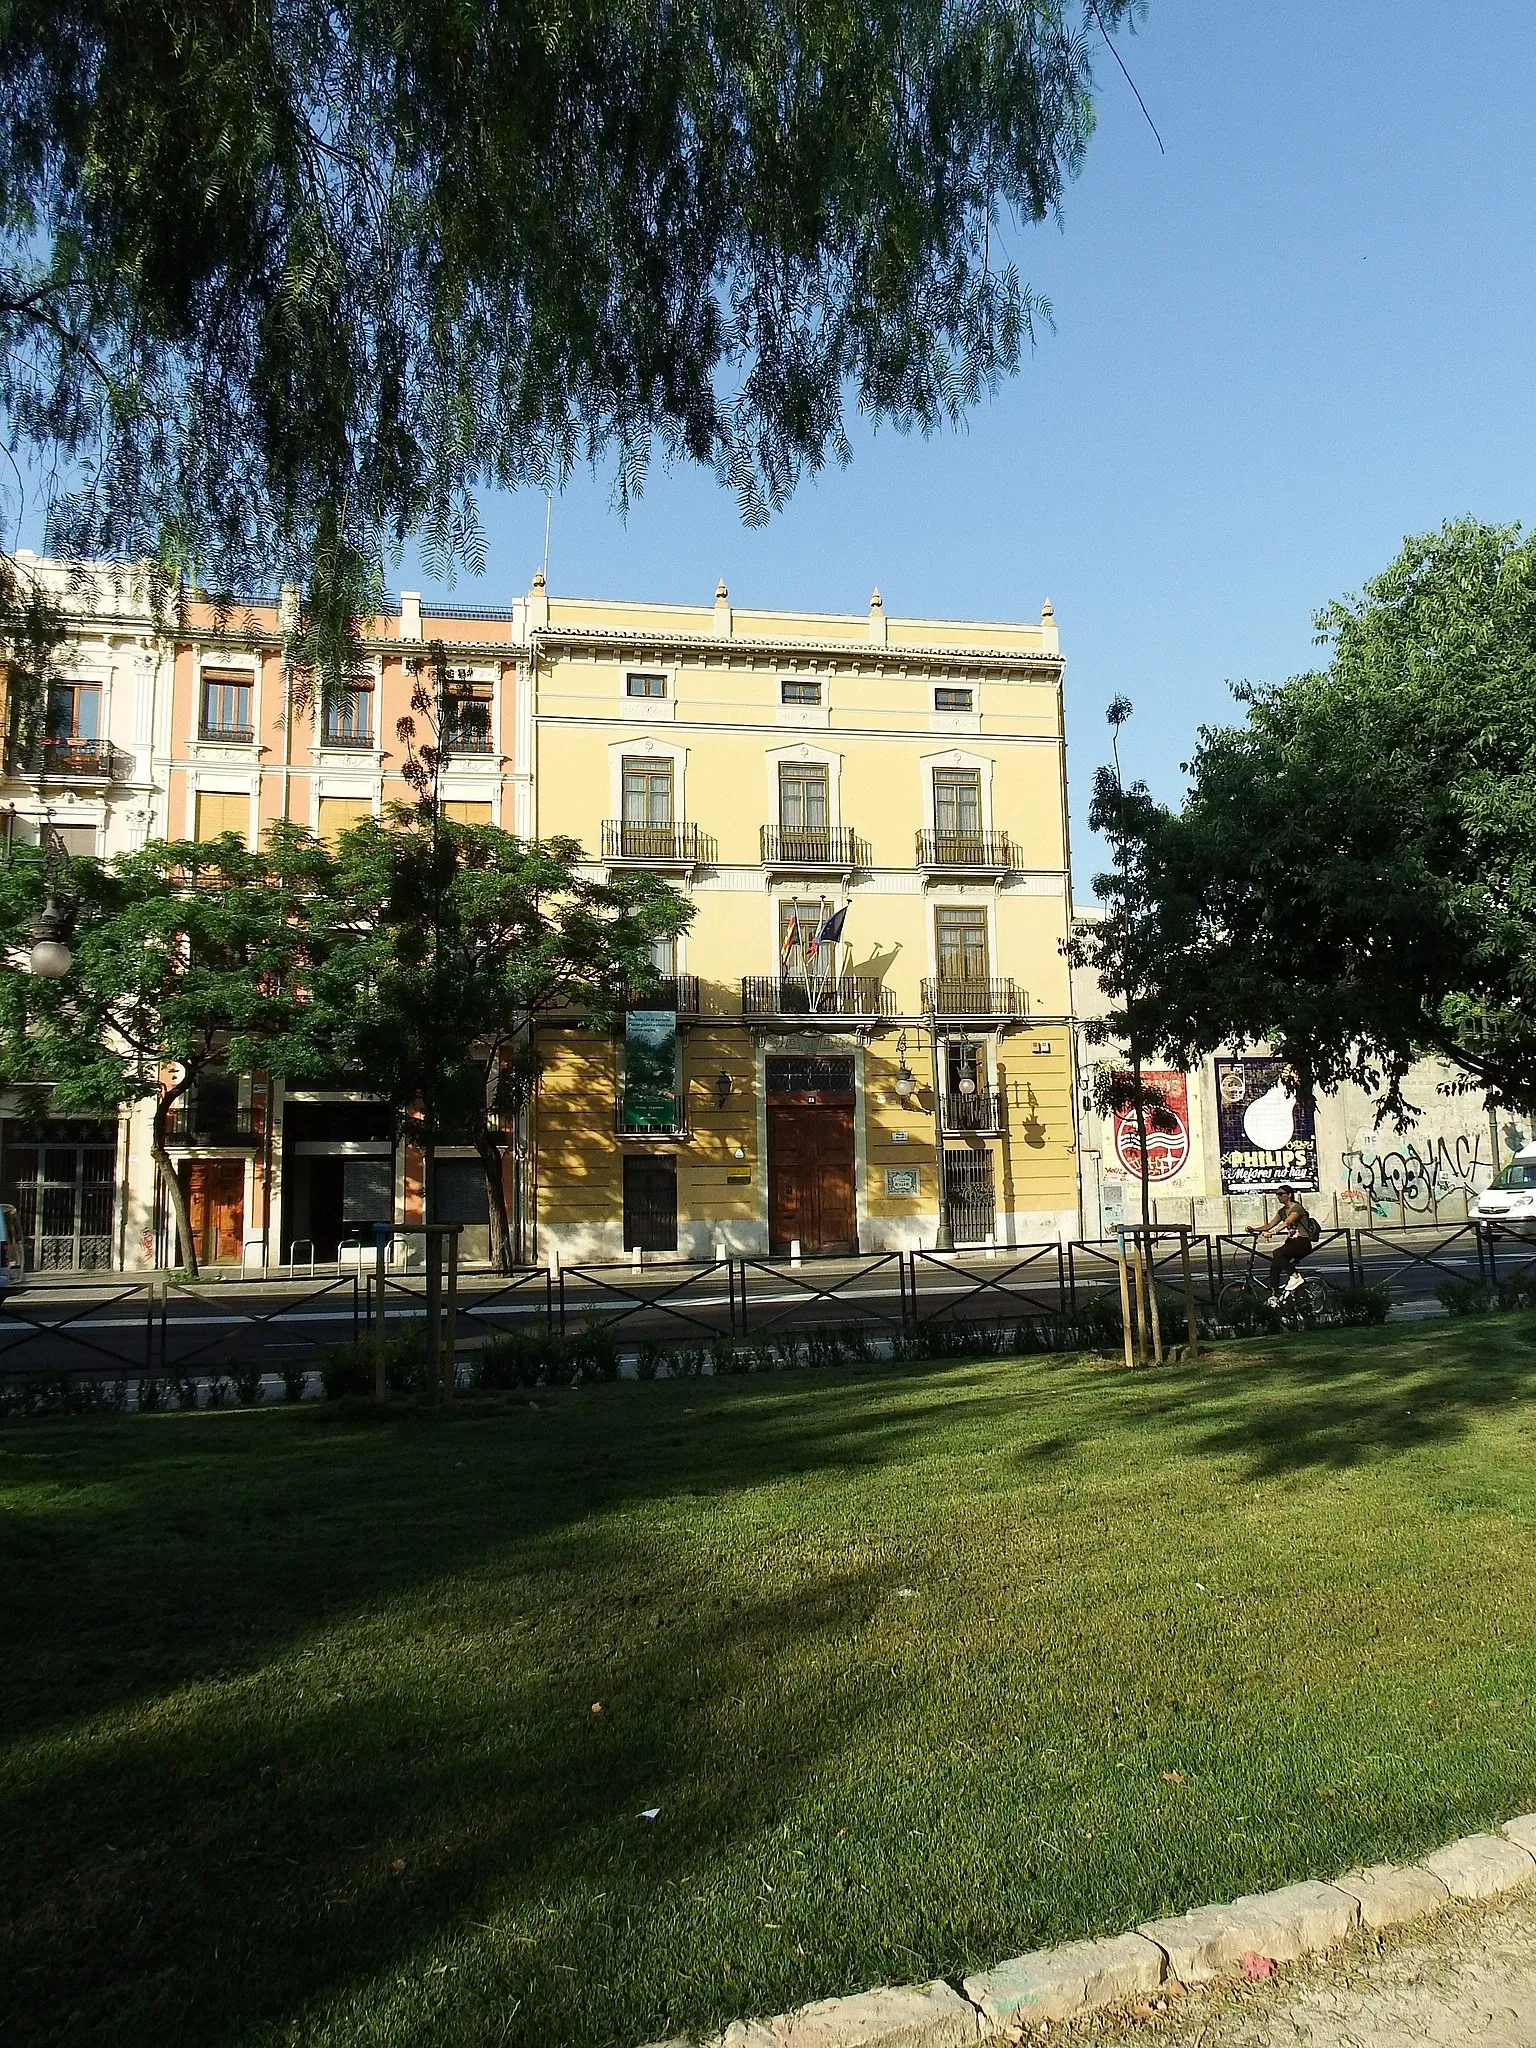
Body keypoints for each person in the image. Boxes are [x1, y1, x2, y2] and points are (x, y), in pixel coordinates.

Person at [1254, 1185, 1317, 1305]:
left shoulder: (1297, 1208)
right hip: (1292, 1243)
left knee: (1277, 1253)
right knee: (1275, 1264)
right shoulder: (1282, 1211)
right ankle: (1275, 1294)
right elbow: (1269, 1225)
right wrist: (1254, 1229)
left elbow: (1288, 1221)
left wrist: (1273, 1232)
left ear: (1289, 1195)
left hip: (1302, 1243)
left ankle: (1295, 1276)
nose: (1278, 1196)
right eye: (1277, 1194)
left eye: (1281, 1194)